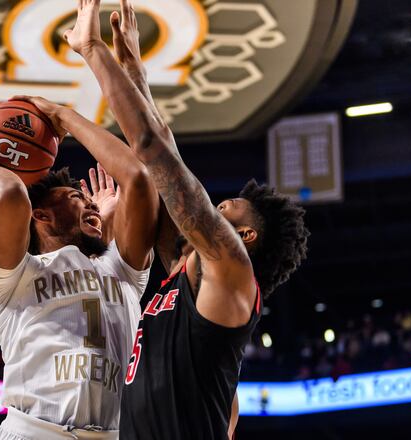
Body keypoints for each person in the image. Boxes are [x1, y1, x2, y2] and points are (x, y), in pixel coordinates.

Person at [61, 1, 310, 438]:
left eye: (227, 207)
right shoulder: (190, 269)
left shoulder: (230, 267)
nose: (215, 206)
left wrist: (92, 49)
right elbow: (160, 152)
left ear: (246, 235)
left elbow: (153, 148)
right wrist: (133, 68)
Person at [0, 100, 158, 439]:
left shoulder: (121, 270)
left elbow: (139, 179)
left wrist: (64, 115)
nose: (91, 202)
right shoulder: (16, 276)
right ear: (41, 216)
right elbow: (10, 194)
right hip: (32, 432)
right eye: (75, 197)